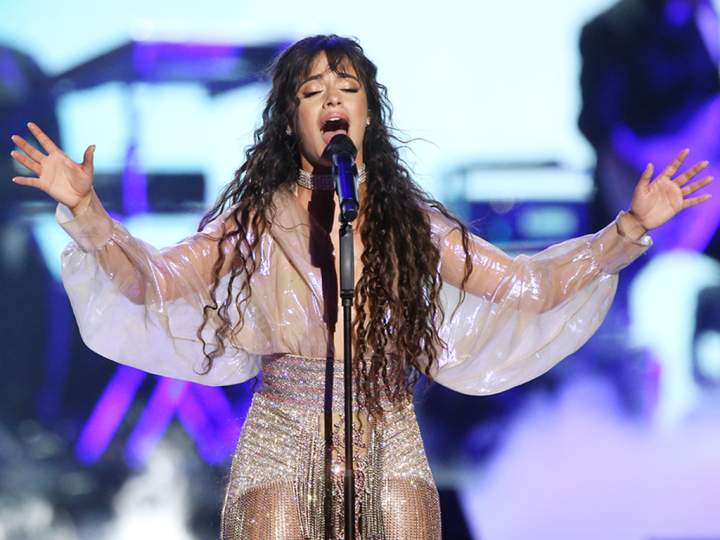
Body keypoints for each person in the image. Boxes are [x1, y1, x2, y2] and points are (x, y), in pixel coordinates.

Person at [9, 35, 714, 539]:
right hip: (282, 437)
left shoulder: (411, 223)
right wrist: (87, 211)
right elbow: (151, 282)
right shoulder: (252, 221)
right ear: (289, 117)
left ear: (368, 113)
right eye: (313, 91)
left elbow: (528, 286)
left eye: (347, 89)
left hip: (386, 435)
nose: (332, 100)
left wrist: (627, 230)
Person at [579, 0, 720, 255]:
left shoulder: (706, 20)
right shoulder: (610, 29)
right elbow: (599, 125)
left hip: (703, 200)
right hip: (635, 192)